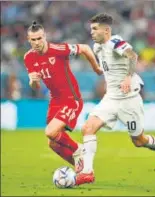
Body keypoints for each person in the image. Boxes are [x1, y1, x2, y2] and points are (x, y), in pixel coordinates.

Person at [75, 13, 155, 185]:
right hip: (110, 98)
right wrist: (96, 68)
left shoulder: (114, 42)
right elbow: (105, 67)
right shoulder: (97, 47)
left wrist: (128, 77)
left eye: (95, 29)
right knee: (88, 128)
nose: (92, 32)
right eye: (91, 29)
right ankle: (87, 173)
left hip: (129, 100)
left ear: (106, 30)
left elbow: (133, 56)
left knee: (139, 141)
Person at [24, 21, 102, 174]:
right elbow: (36, 87)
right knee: (52, 143)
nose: (37, 42)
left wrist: (96, 68)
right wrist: (33, 81)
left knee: (50, 132)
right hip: (55, 100)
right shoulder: (29, 58)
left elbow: (85, 48)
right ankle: (84, 171)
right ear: (29, 40)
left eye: (39, 38)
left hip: (71, 99)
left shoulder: (58, 49)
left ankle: (79, 149)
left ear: (44, 37)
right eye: (33, 40)